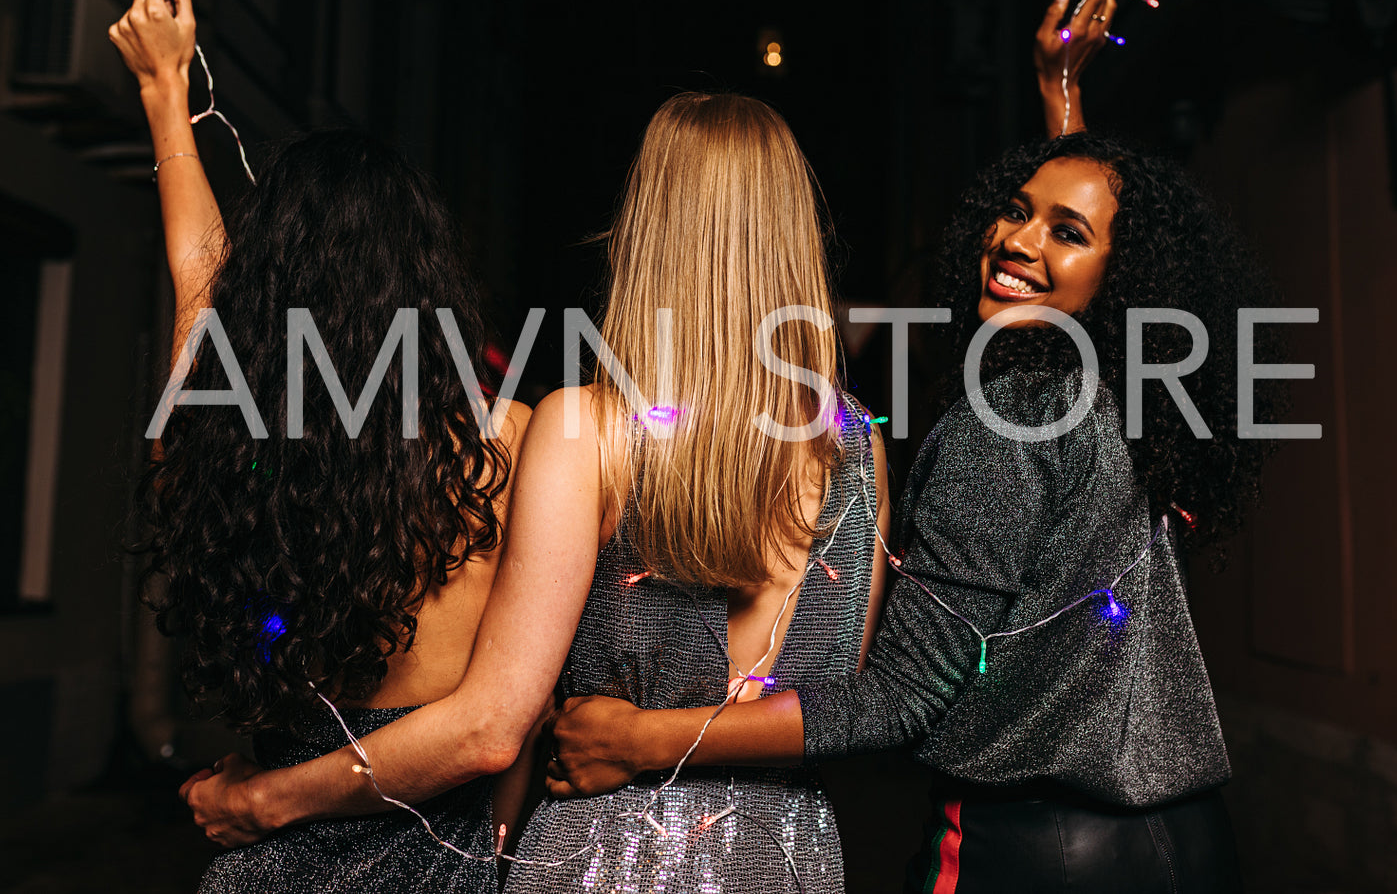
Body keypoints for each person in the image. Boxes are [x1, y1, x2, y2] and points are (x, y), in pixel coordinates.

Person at [179, 91, 892, 893]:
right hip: (787, 864)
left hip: (595, 859)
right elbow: (838, 707)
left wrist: (263, 799)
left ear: (646, 232)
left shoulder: (583, 428)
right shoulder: (856, 444)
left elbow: (493, 721)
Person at [544, 132, 1276, 889]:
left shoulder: (1005, 420)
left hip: (1034, 852)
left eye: (1063, 231)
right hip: (1187, 844)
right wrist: (1061, 102)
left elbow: (900, 699)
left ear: (1122, 274)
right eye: (1014, 211)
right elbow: (1112, 223)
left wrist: (643, 740)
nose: (1014, 241)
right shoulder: (1132, 408)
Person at [111, 0, 529, 892]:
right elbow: (509, 716)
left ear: (262, 292)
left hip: (268, 857)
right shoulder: (507, 445)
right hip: (438, 855)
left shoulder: (216, 433)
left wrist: (165, 94)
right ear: (429, 289)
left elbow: (195, 287)